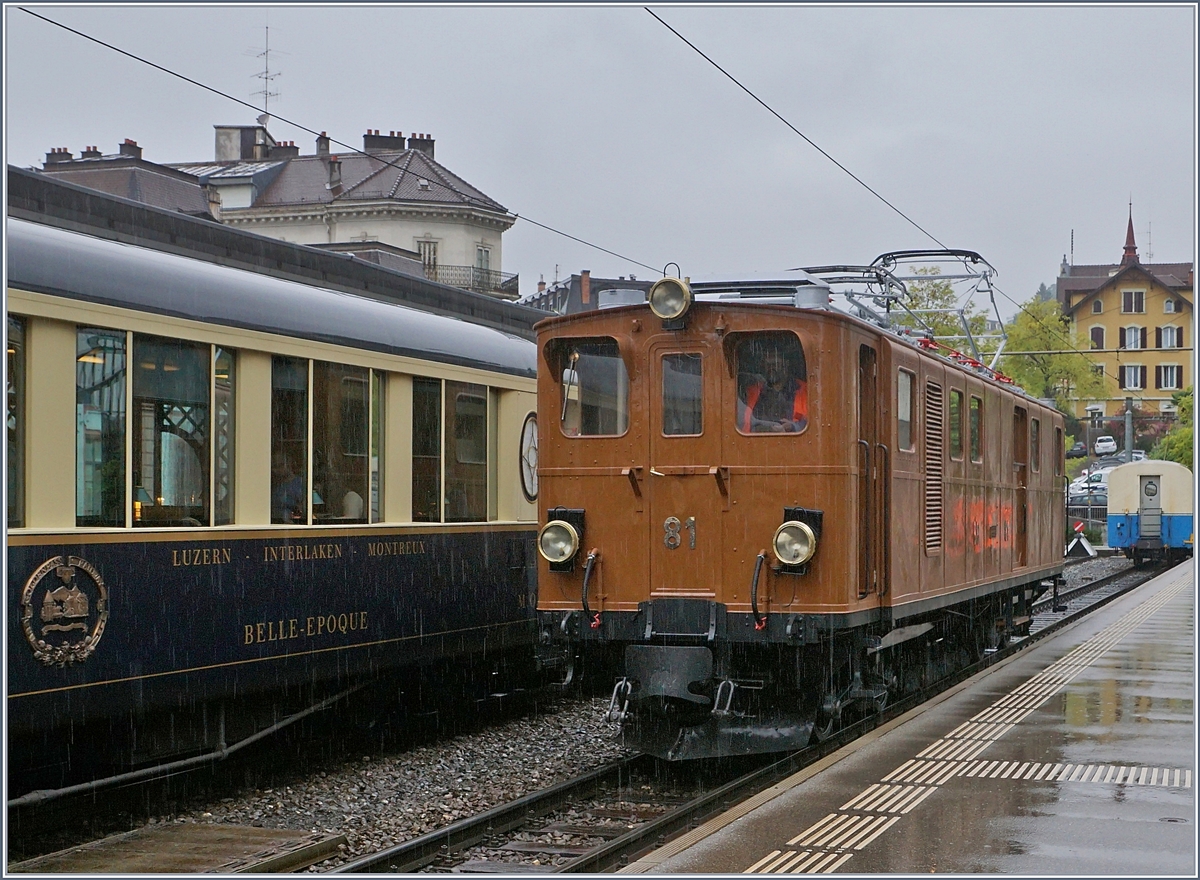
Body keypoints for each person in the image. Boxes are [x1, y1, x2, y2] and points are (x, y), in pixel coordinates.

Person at [738, 346, 807, 433]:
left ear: (786, 364)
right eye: (768, 365)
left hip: (794, 439)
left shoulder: (805, 390)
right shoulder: (750, 391)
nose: (771, 368)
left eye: (775, 364)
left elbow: (815, 422)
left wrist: (792, 427)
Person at [271, 451, 306, 523]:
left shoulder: (300, 484)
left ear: (289, 464)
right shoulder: (273, 484)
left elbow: (302, 508)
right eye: (275, 466)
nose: (278, 469)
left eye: (281, 465)